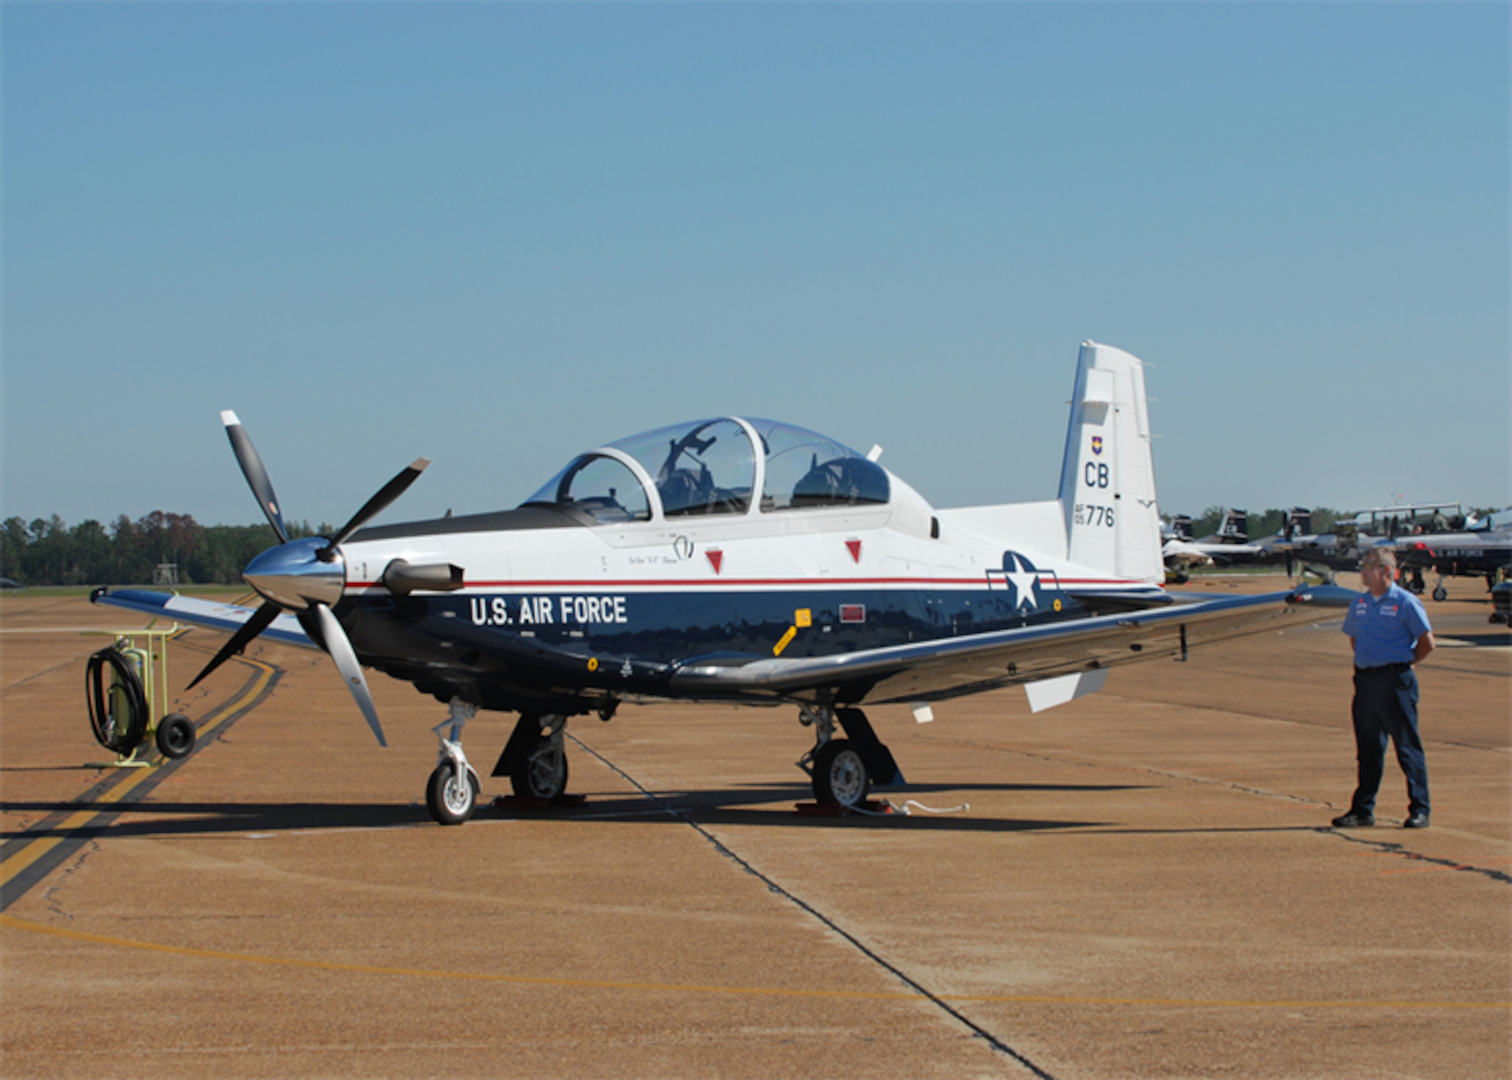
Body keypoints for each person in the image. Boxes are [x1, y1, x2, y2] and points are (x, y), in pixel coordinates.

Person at [1332, 547, 1436, 829]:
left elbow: (1427, 643)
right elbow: (1354, 639)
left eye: (1370, 566)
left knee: (1407, 747)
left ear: (1387, 571)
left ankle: (1420, 809)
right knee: (1368, 749)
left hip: (1395, 682)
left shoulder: (1405, 602)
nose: (1364, 572)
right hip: (1366, 681)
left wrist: (1404, 663)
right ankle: (1363, 809)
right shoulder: (1360, 603)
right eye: (1363, 566)